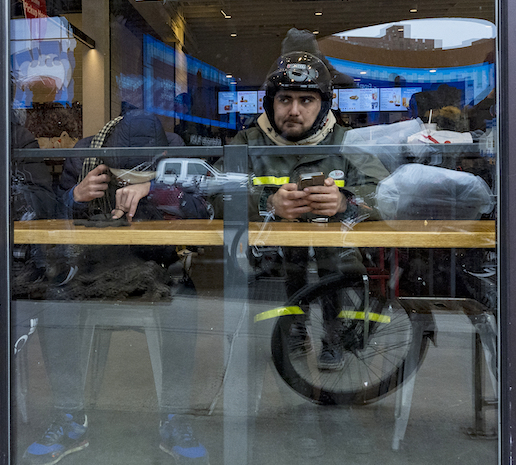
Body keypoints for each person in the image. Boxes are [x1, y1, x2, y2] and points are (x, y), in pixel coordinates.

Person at [22, 108, 210, 465]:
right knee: (56, 301)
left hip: (156, 262)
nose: (127, 181)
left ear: (163, 155)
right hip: (95, 264)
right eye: (123, 173)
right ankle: (69, 417)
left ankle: (174, 418)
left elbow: (201, 209)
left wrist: (155, 188)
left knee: (183, 299)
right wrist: (74, 196)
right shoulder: (84, 154)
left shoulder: (176, 154)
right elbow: (48, 218)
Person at [220, 51, 389, 369]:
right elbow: (216, 192)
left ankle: (334, 336)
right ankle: (296, 330)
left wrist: (345, 202)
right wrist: (266, 203)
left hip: (338, 252)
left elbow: (388, 195)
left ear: (323, 104)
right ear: (271, 102)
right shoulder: (249, 141)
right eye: (285, 99)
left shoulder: (346, 141)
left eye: (306, 100)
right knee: (293, 271)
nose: (294, 110)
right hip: (272, 254)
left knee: (334, 270)